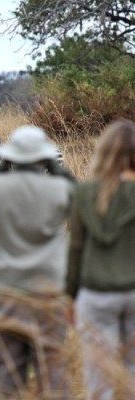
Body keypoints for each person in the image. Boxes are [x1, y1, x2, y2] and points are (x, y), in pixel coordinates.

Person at [0, 125, 74, 399]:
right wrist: (58, 168)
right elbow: (80, 198)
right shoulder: (59, 188)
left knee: (6, 372)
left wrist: (0, 166)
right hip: (48, 291)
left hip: (5, 290)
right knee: (53, 372)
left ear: (10, 157)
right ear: (45, 157)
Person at [66, 119, 135, 400]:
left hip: (94, 295)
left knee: (98, 379)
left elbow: (75, 249)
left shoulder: (84, 193)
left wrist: (68, 295)